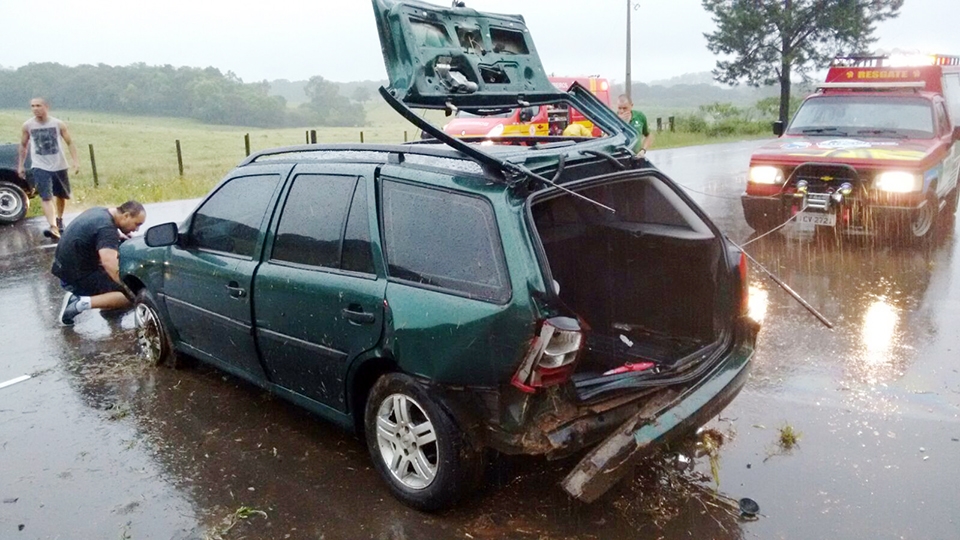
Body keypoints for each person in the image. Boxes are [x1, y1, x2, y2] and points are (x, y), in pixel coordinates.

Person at [53, 201, 146, 326]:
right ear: (126, 216)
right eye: (137, 224)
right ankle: (78, 302)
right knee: (135, 293)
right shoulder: (106, 229)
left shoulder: (99, 212)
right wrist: (127, 286)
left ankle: (111, 308)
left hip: (64, 269)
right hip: (77, 278)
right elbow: (109, 263)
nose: (136, 229)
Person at [17, 97, 80, 240]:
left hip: (59, 165)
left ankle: (59, 219)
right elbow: (23, 145)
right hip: (40, 165)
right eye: (32, 106)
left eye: (38, 105)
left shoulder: (58, 124)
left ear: (46, 107)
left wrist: (75, 161)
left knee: (61, 195)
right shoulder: (28, 125)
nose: (35, 109)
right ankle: (52, 226)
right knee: (46, 196)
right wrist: (20, 165)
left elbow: (69, 142)